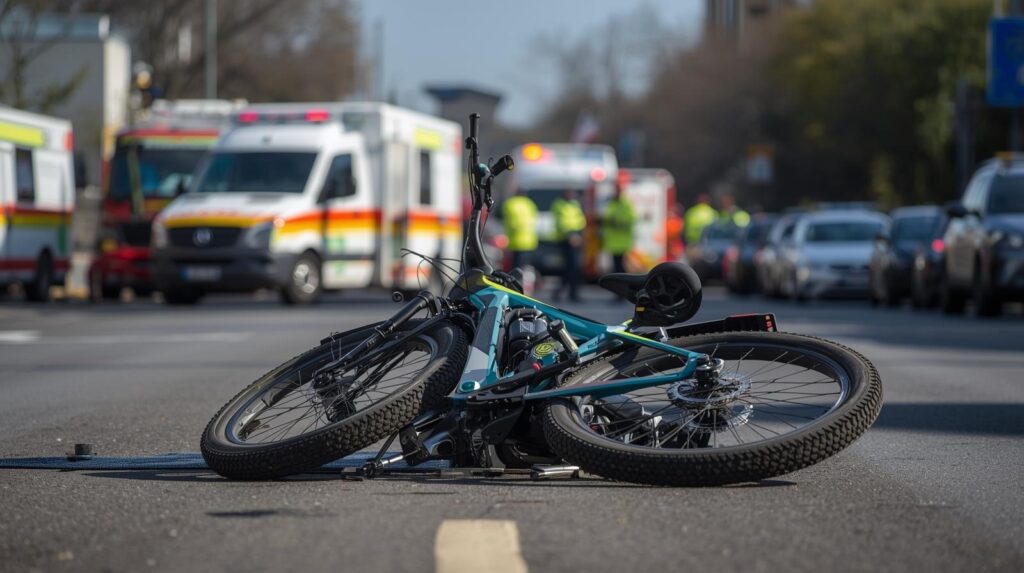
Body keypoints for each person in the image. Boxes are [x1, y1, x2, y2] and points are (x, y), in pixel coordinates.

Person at [551, 188, 586, 302]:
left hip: (576, 238)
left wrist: (579, 234)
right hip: (565, 240)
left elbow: (581, 220)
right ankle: (569, 293)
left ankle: (569, 292)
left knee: (574, 268)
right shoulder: (558, 205)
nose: (571, 195)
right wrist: (570, 235)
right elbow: (561, 222)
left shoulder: (575, 204)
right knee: (569, 267)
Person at [602, 185, 636, 275]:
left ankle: (624, 284)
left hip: (623, 242)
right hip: (613, 242)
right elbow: (606, 219)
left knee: (621, 267)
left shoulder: (626, 204)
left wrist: (617, 222)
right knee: (617, 267)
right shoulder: (611, 204)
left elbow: (631, 218)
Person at [502, 189, 538, 270]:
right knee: (525, 267)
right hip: (529, 241)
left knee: (515, 267)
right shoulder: (530, 203)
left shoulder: (510, 203)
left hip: (515, 241)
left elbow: (506, 221)